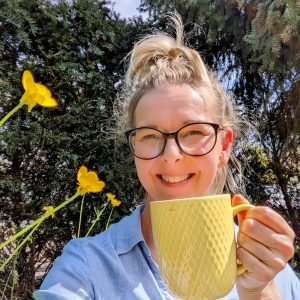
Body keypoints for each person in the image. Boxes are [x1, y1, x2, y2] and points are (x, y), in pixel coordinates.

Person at [33, 13, 300, 299]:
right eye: (150, 135)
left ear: (224, 147)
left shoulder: (270, 269)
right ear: (134, 147)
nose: (171, 155)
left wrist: (259, 292)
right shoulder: (86, 267)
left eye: (194, 132)